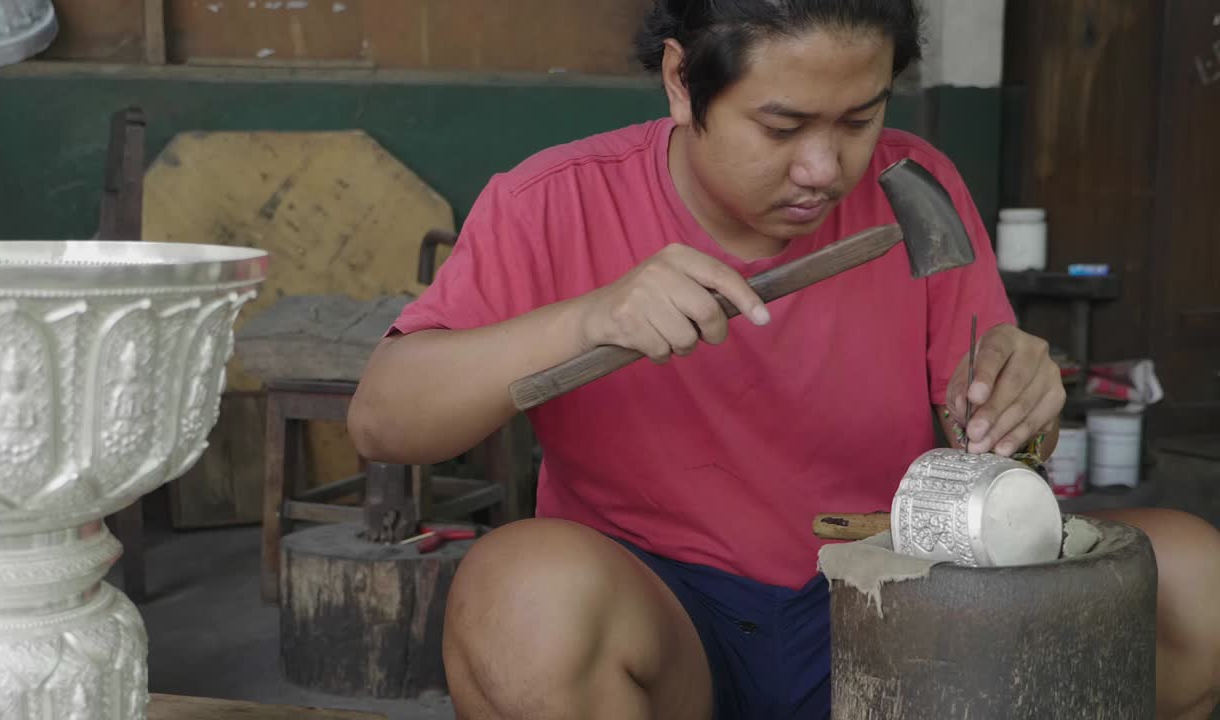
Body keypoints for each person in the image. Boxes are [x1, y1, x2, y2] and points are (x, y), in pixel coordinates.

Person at [348, 1, 1220, 718]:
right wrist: (587, 320)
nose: (824, 168)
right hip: (669, 626)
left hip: (897, 597)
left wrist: (1016, 402)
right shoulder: (551, 203)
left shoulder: (912, 185)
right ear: (683, 81)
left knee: (1193, 580)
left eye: (860, 119)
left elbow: (983, 422)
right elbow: (385, 421)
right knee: (520, 597)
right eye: (782, 124)